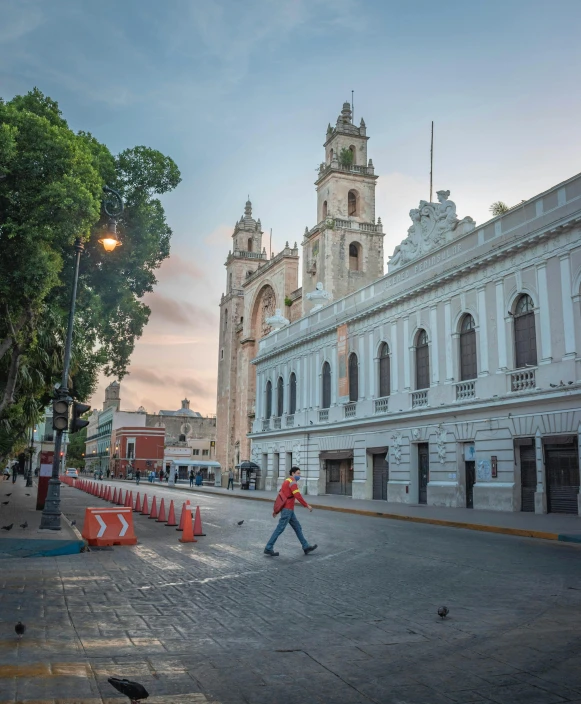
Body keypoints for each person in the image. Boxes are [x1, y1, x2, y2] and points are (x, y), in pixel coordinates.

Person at [264, 467, 317, 557]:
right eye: (298, 473)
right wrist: (307, 505)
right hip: (288, 510)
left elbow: (282, 497)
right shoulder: (292, 482)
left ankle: (305, 546)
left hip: (288, 510)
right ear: (293, 473)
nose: (299, 475)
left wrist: (277, 510)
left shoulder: (286, 481)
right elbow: (297, 495)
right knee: (280, 529)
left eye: (299, 473)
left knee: (297, 527)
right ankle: (268, 547)